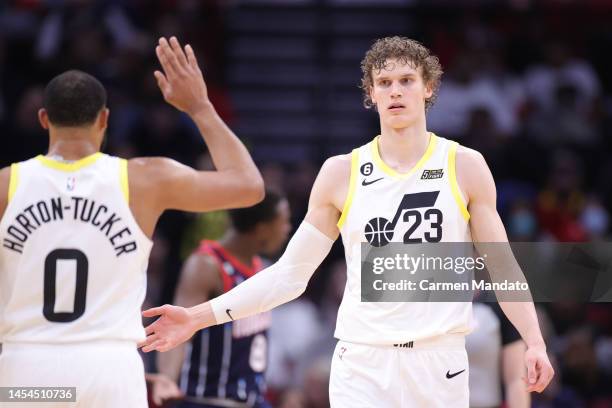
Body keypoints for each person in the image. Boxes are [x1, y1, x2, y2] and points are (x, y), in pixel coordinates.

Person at [140, 36, 555, 407]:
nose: (395, 91)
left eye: (407, 80)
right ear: (370, 94)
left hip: (438, 361)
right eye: (384, 83)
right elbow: (290, 275)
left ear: (428, 88)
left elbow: (502, 266)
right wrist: (197, 316)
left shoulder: (464, 165)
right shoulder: (342, 172)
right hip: (362, 362)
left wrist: (534, 341)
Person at [0, 36, 263, 408]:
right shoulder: (143, 179)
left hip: (27, 367)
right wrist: (200, 107)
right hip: (112, 369)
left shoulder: (6, 185)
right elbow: (249, 186)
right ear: (105, 120)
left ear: (44, 119)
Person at [153, 190, 291, 408]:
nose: (287, 230)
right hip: (208, 400)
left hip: (254, 399)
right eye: (283, 223)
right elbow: (176, 328)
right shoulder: (206, 265)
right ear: (262, 228)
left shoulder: (260, 268)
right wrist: (166, 378)